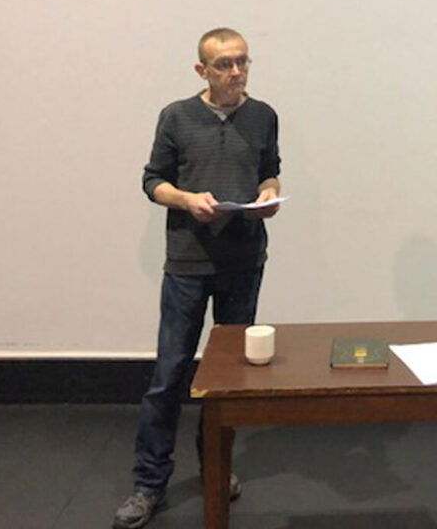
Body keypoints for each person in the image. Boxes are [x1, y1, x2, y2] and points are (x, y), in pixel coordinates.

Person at [113, 27, 281, 529]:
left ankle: (217, 468)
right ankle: (149, 484)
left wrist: (269, 194)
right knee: (170, 374)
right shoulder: (176, 116)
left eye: (243, 62)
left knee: (228, 380)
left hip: (243, 261)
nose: (236, 72)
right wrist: (187, 200)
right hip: (188, 263)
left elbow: (269, 169)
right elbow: (152, 181)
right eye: (224, 64)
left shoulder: (263, 116)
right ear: (201, 70)